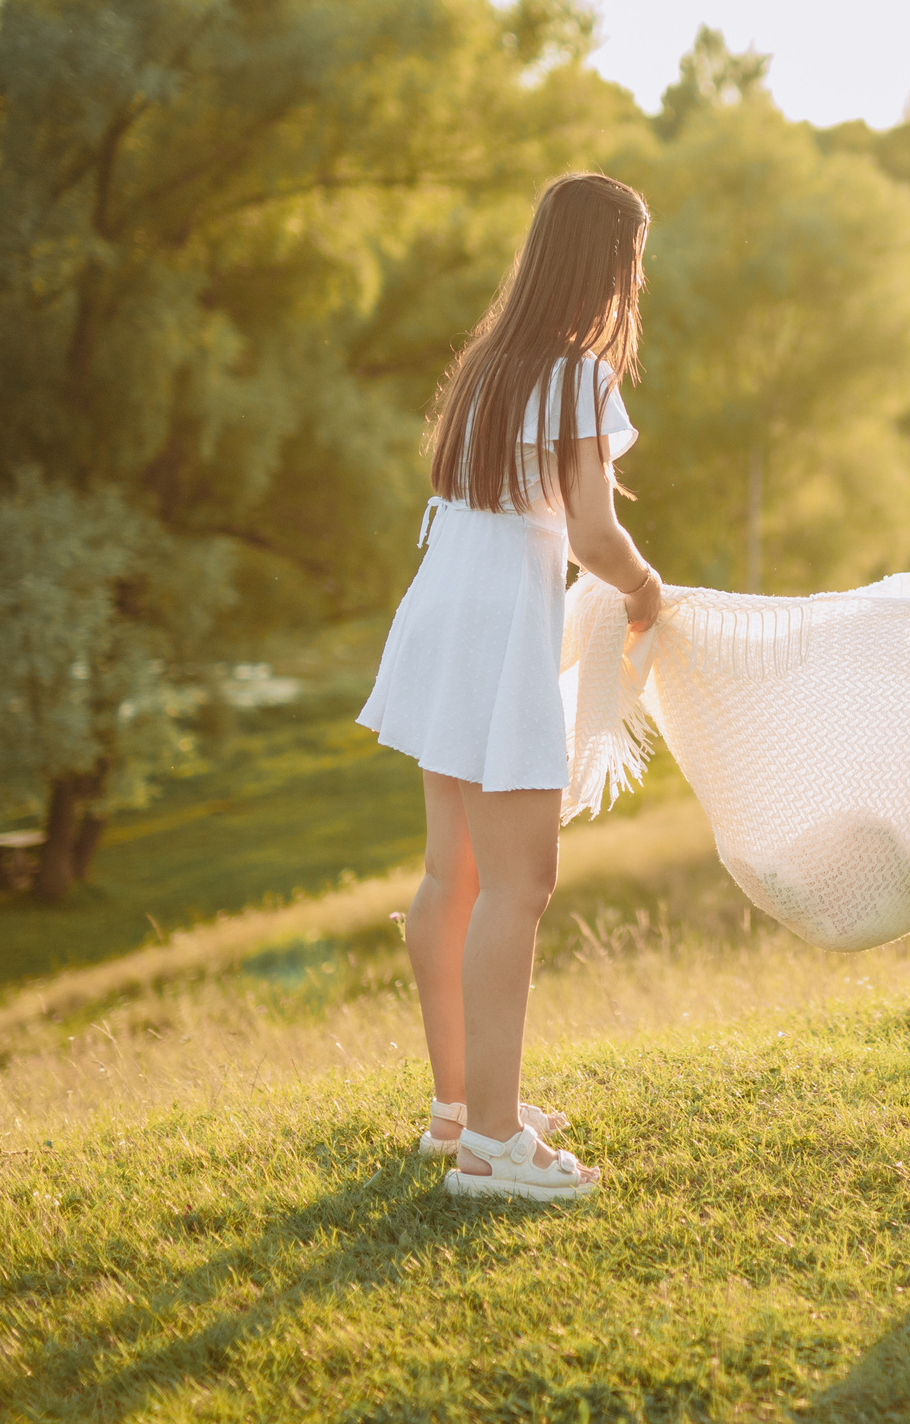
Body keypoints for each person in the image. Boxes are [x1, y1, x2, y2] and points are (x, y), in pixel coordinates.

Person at [357, 172, 664, 1201]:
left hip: (442, 605)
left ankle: (459, 1112)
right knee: (520, 885)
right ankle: (494, 1144)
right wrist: (647, 589)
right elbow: (591, 534)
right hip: (494, 627)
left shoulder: (487, 364)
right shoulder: (578, 374)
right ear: (611, 261)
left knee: (457, 874)